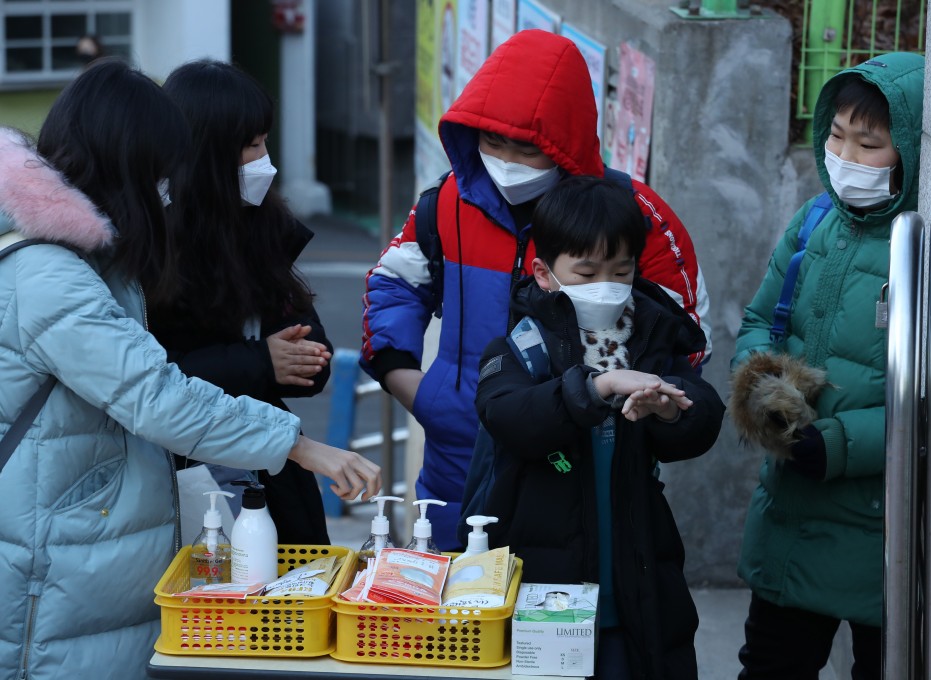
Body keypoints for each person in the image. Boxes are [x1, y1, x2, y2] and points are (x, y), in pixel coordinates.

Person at [0, 59, 381, 680]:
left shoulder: (87, 263)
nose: (166, 189)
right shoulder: (52, 277)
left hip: (81, 541)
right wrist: (301, 445)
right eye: (158, 173)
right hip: (55, 553)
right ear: (126, 167)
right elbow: (156, 394)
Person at [360, 29, 711, 549]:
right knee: (461, 623)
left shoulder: (633, 216)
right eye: (491, 140)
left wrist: (639, 410)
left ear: (565, 139)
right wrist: (412, 385)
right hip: (455, 464)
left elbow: (686, 335)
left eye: (526, 148)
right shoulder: (448, 202)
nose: (505, 161)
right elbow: (394, 284)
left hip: (589, 467)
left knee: (566, 621)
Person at [475, 176, 726, 679]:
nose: (606, 285)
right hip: (544, 583)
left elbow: (700, 408)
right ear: (545, 273)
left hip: (636, 572)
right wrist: (595, 387)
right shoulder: (521, 344)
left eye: (621, 270)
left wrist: (673, 411)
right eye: (586, 272)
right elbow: (508, 415)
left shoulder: (653, 330)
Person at [728, 52, 924, 679]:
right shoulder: (814, 220)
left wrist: (837, 443)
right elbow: (761, 319)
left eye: (869, 144)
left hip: (884, 527)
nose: (845, 157)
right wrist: (760, 388)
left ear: (913, 153)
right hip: (792, 514)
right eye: (837, 136)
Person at [152, 59, 332, 544]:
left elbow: (313, 366)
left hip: (271, 474)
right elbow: (149, 379)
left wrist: (291, 354)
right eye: (252, 145)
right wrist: (261, 361)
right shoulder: (151, 247)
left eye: (264, 141)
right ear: (209, 152)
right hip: (183, 475)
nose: (265, 159)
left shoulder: (264, 226)